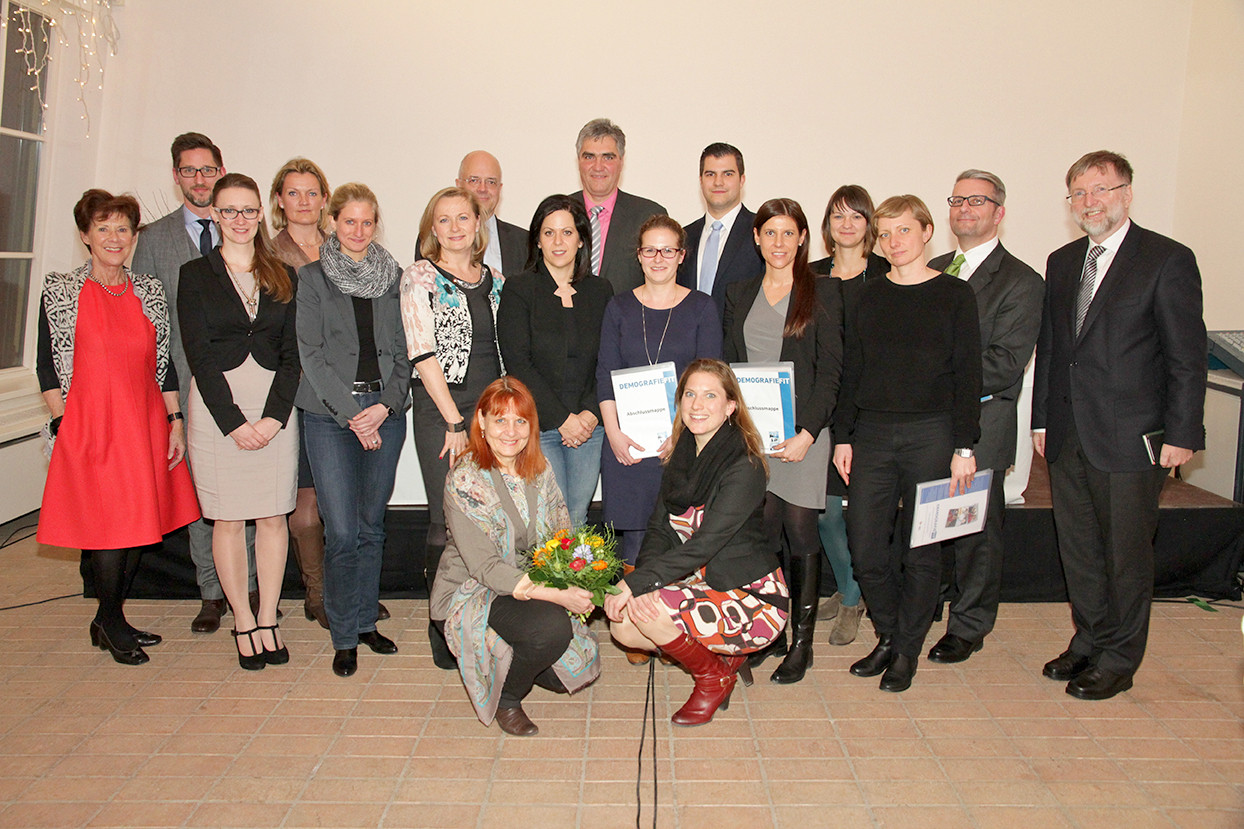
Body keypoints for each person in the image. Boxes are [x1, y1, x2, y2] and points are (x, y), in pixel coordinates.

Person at [1033, 151, 1205, 701]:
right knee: (1078, 547)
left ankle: (1119, 658)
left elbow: (1186, 356)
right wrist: (1040, 419)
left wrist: (1183, 432)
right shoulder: (1062, 261)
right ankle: (1090, 639)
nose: (1090, 202)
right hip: (1067, 431)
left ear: (1126, 193)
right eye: (1079, 194)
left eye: (1101, 190)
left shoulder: (1166, 259)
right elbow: (1055, 348)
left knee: (1126, 553)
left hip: (1133, 435)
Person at [37, 189, 200, 664]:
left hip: (145, 419)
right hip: (89, 423)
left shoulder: (148, 290)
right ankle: (109, 621)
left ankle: (110, 617)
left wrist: (174, 421)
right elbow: (48, 366)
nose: (113, 238)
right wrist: (63, 424)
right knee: (110, 529)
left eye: (122, 229)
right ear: (85, 235)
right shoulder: (62, 290)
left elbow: (164, 364)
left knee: (138, 528)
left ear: (133, 237)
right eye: (103, 228)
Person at [833, 195, 981, 693]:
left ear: (926, 232)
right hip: (872, 434)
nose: (894, 242)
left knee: (923, 550)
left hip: (932, 435)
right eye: (886, 233)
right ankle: (890, 633)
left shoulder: (956, 296)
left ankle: (907, 650)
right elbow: (852, 371)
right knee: (866, 546)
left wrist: (965, 446)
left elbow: (968, 375)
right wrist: (842, 437)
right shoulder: (867, 296)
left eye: (904, 230)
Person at [604, 359, 787, 726]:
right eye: (690, 394)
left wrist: (636, 583)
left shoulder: (745, 465)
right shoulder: (683, 454)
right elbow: (658, 528)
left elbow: (704, 544)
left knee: (649, 615)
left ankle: (712, 678)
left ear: (730, 405)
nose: (697, 405)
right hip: (700, 580)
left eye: (710, 395)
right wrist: (645, 581)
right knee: (623, 625)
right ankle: (722, 661)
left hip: (750, 596)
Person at [131, 131, 257, 635]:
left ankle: (246, 586)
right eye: (189, 171)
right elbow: (147, 322)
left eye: (208, 170)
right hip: (182, 383)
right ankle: (211, 590)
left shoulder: (249, 236)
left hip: (246, 382)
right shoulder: (155, 239)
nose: (200, 179)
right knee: (202, 493)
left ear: (221, 171)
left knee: (246, 490)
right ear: (176, 175)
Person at [178, 173, 301, 670]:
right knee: (227, 520)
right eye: (229, 211)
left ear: (260, 214)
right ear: (215, 214)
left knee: (273, 517)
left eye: (249, 210)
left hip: (274, 406)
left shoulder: (282, 273)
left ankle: (268, 616)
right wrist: (232, 423)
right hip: (216, 409)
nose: (240, 220)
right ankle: (242, 620)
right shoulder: (195, 274)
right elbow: (198, 355)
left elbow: (293, 356)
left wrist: (273, 418)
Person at [432, 377, 601, 736]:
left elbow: (562, 533)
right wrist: (556, 595)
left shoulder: (538, 469)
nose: (511, 431)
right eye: (500, 420)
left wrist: (579, 578)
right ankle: (508, 697)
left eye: (520, 421)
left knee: (567, 673)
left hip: (526, 581)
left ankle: (518, 654)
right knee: (551, 630)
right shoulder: (465, 479)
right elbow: (486, 568)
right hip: (473, 588)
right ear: (480, 421)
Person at [926, 170, 1044, 666]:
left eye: (978, 201)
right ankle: (930, 602)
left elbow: (1004, 362)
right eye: (957, 200)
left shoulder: (1021, 280)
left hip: (978, 427)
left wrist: (925, 379)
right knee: (930, 522)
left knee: (974, 529)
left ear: (999, 212)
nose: (965, 209)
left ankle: (969, 625)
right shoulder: (932, 267)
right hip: (924, 425)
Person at [723, 198, 843, 683]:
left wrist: (808, 434)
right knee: (762, 533)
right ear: (756, 238)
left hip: (803, 437)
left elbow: (832, 372)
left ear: (801, 239)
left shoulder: (825, 292)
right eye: (769, 233)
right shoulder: (738, 292)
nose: (778, 243)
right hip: (755, 436)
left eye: (788, 234)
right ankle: (767, 632)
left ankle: (803, 642)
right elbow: (729, 367)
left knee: (800, 531)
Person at [296, 182, 411, 678]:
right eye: (349, 222)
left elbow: (408, 354)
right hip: (330, 416)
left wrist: (384, 407)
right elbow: (311, 355)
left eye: (367, 222)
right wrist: (352, 414)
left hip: (385, 412)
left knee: (371, 526)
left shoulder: (395, 278)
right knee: (341, 531)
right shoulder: (313, 277)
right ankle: (343, 636)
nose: (358, 231)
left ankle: (366, 621)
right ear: (333, 223)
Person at [400, 187, 505, 670]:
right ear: (432, 229)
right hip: (445, 415)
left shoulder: (497, 281)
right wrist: (454, 421)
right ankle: (440, 624)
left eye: (464, 218)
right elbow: (422, 353)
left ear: (478, 225)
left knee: (489, 519)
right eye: (444, 220)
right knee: (447, 521)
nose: (456, 227)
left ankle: (480, 616)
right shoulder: (419, 277)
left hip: (494, 417)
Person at [596, 215, 723, 567]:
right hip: (629, 445)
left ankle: (676, 621)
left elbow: (710, 379)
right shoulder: (618, 307)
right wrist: (613, 434)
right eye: (650, 250)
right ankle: (635, 619)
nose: (658, 258)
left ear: (682, 255)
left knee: (683, 540)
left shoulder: (702, 307)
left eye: (668, 250)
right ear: (638, 255)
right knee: (635, 543)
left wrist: (681, 435)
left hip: (685, 443)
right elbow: (605, 373)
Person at [497, 195, 613, 527]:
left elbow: (608, 360)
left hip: (589, 428)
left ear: (581, 239)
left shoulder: (601, 291)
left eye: (566, 232)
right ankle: (543, 582)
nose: (558, 241)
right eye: (549, 233)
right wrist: (563, 419)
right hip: (540, 424)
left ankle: (572, 581)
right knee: (548, 519)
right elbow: (518, 361)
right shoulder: (519, 289)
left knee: (576, 517)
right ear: (537, 240)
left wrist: (589, 415)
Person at [809, 185, 889, 646]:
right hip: (823, 404)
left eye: (856, 216)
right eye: (838, 215)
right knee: (824, 513)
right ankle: (846, 588)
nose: (846, 224)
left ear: (868, 224)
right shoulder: (812, 274)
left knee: (859, 511)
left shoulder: (883, 274)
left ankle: (853, 597)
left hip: (867, 406)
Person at [571, 118, 667, 293]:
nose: (598, 166)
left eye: (608, 157)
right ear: (578, 161)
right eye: (589, 157)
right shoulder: (560, 212)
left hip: (629, 319)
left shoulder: (649, 215)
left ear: (621, 162)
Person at [677, 143, 764, 312]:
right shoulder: (683, 236)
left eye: (728, 174)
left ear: (742, 180)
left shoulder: (760, 233)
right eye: (710, 174)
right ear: (701, 181)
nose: (718, 182)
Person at [455, 150, 529, 276]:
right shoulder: (438, 239)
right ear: (459, 185)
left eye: (491, 182)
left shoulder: (525, 243)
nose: (482, 188)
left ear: (500, 189)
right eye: (474, 180)